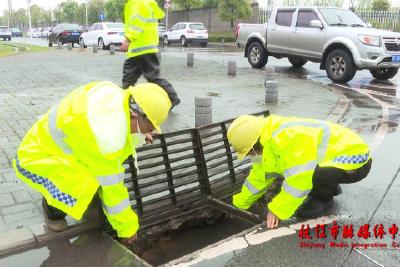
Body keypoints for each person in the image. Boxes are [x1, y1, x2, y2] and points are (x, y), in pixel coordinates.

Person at [13, 81, 171, 246]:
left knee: (97, 176)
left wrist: (140, 134)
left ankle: (84, 202)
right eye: (149, 127)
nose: (150, 132)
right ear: (133, 114)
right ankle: (52, 210)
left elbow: (124, 129)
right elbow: (113, 188)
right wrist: (127, 228)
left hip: (59, 143)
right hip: (44, 155)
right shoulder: (105, 135)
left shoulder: (116, 98)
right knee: (83, 185)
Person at [227, 114, 372, 229]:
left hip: (356, 160)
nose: (250, 156)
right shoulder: (265, 141)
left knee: (317, 172)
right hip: (336, 158)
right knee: (317, 168)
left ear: (254, 145)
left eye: (248, 153)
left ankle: (323, 199)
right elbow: (259, 176)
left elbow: (299, 180)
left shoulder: (287, 138)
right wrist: (239, 204)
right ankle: (328, 186)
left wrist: (277, 209)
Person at [121, 0, 181, 109]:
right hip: (141, 49)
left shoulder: (139, 2)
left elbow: (137, 22)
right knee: (129, 79)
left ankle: (172, 97)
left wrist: (128, 38)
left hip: (143, 49)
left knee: (151, 77)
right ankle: (126, 103)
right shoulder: (144, 2)